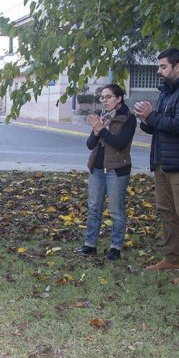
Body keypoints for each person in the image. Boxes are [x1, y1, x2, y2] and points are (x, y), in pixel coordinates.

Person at [134, 48, 179, 286]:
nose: (159, 71)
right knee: (166, 210)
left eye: (163, 67)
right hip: (163, 161)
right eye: (159, 67)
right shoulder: (167, 92)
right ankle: (172, 258)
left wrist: (152, 116)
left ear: (177, 67)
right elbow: (159, 126)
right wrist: (146, 120)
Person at [77, 83, 136, 261]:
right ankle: (90, 244)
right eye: (102, 97)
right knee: (94, 207)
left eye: (108, 97)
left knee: (116, 210)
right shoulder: (102, 117)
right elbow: (90, 145)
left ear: (119, 98)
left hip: (117, 169)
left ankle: (115, 246)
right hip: (97, 168)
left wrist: (100, 129)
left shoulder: (128, 118)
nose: (105, 101)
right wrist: (97, 130)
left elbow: (120, 143)